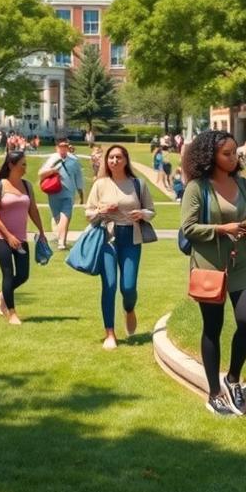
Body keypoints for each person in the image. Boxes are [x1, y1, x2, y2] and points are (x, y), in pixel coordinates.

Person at [180, 129, 246, 418]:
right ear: (211, 156)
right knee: (212, 328)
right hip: (209, 265)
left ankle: (233, 379)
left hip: (242, 262)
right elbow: (188, 228)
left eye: (235, 152)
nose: (233, 158)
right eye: (226, 154)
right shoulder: (197, 187)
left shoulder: (244, 185)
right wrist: (222, 229)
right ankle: (214, 392)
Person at [84, 145, 156, 350]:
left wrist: (142, 214)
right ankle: (110, 333)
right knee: (109, 285)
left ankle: (129, 308)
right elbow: (88, 213)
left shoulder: (138, 184)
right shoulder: (100, 184)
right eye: (111, 158)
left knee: (128, 287)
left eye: (118, 157)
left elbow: (151, 210)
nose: (114, 161)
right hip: (107, 238)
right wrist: (102, 210)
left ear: (125, 160)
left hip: (131, 238)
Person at [0, 150, 47, 325]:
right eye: (22, 164)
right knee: (8, 272)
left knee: (23, 275)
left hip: (20, 237)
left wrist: (42, 232)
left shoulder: (27, 186)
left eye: (25, 164)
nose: (25, 168)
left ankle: (2, 294)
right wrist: (8, 235)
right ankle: (12, 313)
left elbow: (33, 209)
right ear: (11, 165)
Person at [38, 137, 84, 250]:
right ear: (56, 147)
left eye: (65, 146)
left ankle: (61, 242)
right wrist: (52, 171)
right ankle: (60, 237)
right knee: (57, 216)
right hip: (54, 191)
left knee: (66, 216)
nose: (63, 148)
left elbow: (78, 177)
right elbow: (41, 174)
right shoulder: (52, 159)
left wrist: (81, 193)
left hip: (68, 192)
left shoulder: (74, 160)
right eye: (61, 146)